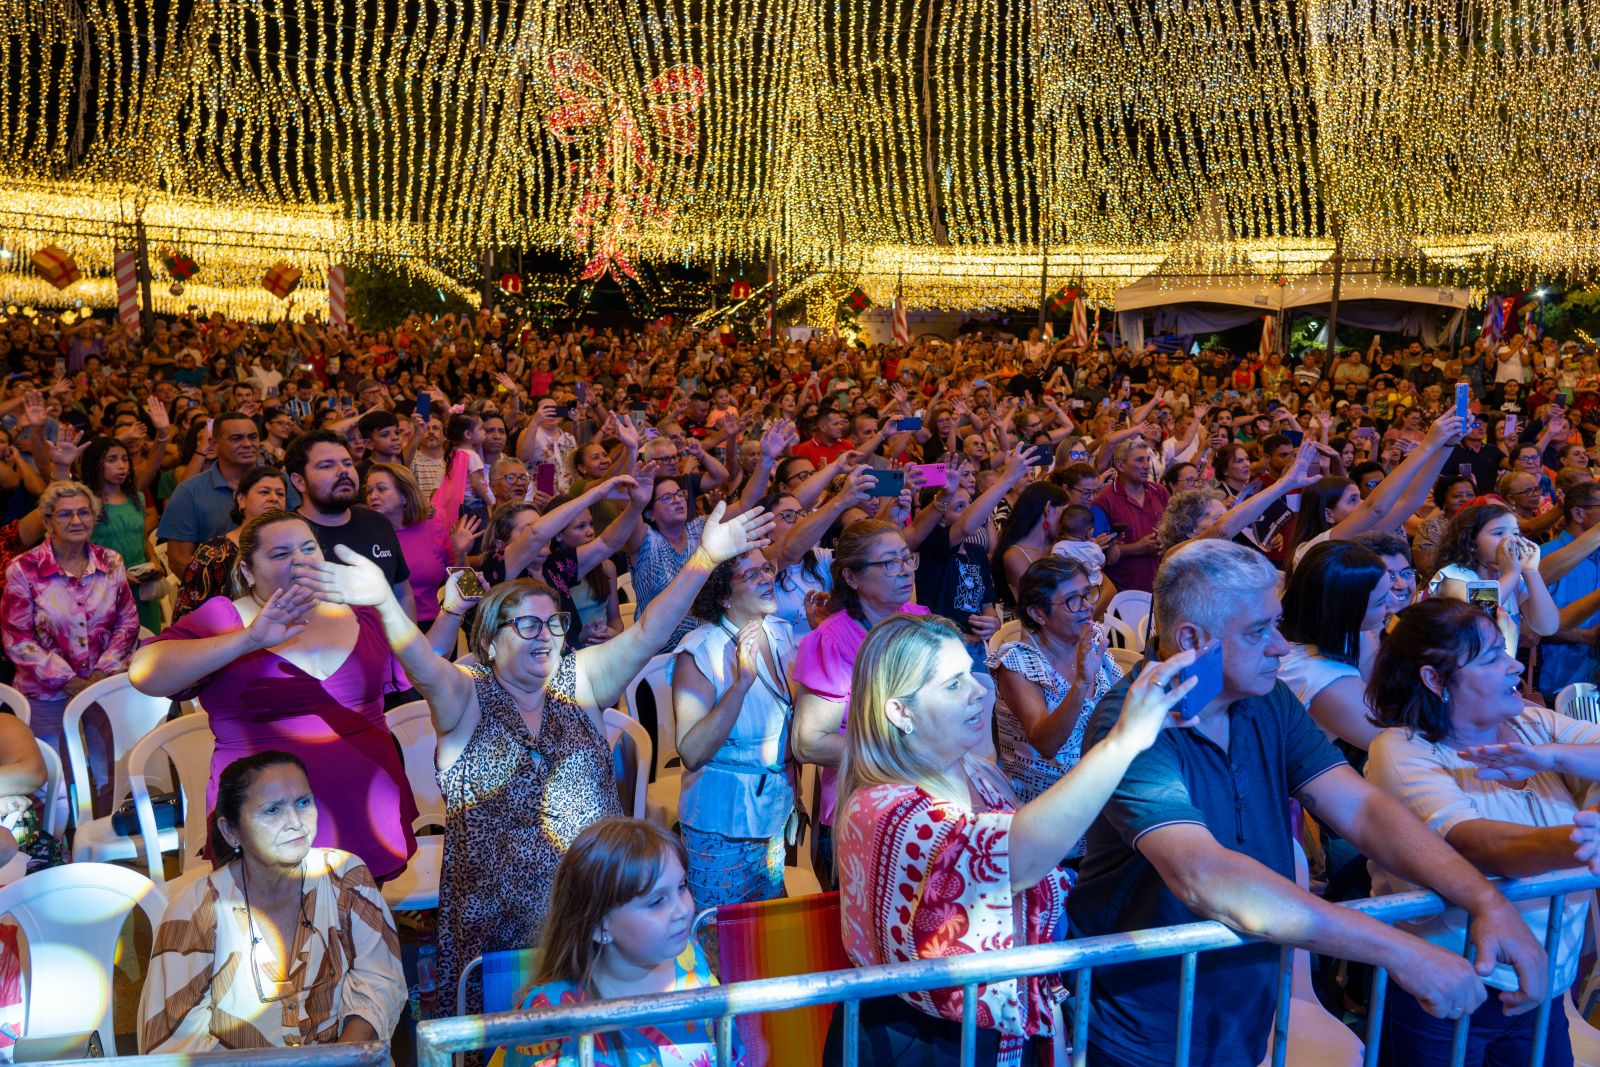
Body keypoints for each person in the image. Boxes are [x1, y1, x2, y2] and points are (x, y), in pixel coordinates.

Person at [1068, 538, 1548, 1067]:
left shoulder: (1264, 697)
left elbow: (1360, 807)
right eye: (1258, 631)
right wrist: (1398, 949)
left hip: (1244, 1001)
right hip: (1145, 1020)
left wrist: (1486, 901)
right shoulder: (1132, 725)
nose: (1280, 646)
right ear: (1190, 640)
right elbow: (1203, 874)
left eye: (1276, 624)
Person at [291, 499, 774, 1014]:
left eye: (554, 624)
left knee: (596, 1037)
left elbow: (651, 629)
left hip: (595, 916)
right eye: (526, 626)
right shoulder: (467, 696)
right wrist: (386, 607)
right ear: (490, 642)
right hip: (499, 931)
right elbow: (425, 669)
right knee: (514, 1043)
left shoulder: (581, 681)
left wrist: (704, 557)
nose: (545, 637)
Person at [826, 613, 1194, 1067]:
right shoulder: (882, 808)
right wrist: (1122, 743)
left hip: (985, 1031)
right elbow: (1018, 858)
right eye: (953, 684)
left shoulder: (978, 772)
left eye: (971, 672)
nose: (980, 689)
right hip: (915, 1042)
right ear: (900, 711)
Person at [129, 509, 429, 882]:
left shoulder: (361, 614)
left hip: (364, 803)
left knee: (359, 926)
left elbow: (424, 673)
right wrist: (250, 639)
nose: (300, 560)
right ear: (248, 572)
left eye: (308, 548)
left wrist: (448, 610)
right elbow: (143, 672)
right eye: (281, 554)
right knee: (276, 933)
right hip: (268, 811)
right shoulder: (228, 618)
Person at [1366, 599, 1600, 1066]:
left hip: (1543, 984)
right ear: (1435, 680)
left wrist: (1554, 757)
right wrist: (1585, 843)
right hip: (1452, 991)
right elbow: (1480, 846)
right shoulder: (1403, 750)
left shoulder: (1530, 723)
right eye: (1492, 657)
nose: (1515, 664)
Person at [139, 751, 406, 1052]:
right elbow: (176, 1041)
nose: (295, 822)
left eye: (303, 802)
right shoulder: (196, 910)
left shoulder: (346, 878)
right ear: (230, 831)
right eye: (272, 811)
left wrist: (342, 1058)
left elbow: (380, 982)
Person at [489, 816, 739, 1067]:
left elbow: (729, 1050)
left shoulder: (690, 959)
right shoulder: (547, 1013)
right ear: (599, 926)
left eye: (682, 886)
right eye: (656, 901)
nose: (683, 909)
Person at [791, 520, 931, 888]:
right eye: (889, 563)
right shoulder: (831, 641)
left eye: (906, 558)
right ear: (852, 578)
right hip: (863, 809)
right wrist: (901, 750)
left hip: (926, 800)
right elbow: (809, 743)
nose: (904, 570)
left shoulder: (921, 623)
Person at [670, 550, 798, 914]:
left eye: (766, 568)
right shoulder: (699, 652)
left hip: (773, 812)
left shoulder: (780, 633)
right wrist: (740, 683)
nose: (766, 578)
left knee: (760, 936)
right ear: (724, 595)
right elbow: (693, 752)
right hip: (721, 826)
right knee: (718, 939)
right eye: (751, 574)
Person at [0, 481, 138, 779]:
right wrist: (70, 680)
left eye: (84, 513)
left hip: (104, 683)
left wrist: (100, 675)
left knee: (111, 773)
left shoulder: (111, 561)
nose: (76, 521)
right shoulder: (24, 568)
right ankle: (58, 827)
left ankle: (103, 823)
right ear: (47, 521)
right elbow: (17, 639)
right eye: (64, 515)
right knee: (53, 780)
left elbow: (127, 623)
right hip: (45, 691)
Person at [988, 557, 1121, 813]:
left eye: (1087, 594)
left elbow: (1125, 704)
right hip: (1045, 812)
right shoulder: (1017, 661)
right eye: (1072, 600)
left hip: (1099, 795)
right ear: (1038, 613)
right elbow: (1045, 743)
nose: (1086, 606)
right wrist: (1082, 682)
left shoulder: (1092, 645)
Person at [1279, 541, 1395, 751]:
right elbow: (1392, 749)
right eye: (1380, 602)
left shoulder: (1326, 630)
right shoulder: (1322, 677)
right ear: (1345, 611)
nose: (1393, 601)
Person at [1428, 503, 1559, 658]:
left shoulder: (1513, 579)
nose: (1512, 540)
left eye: (1516, 533)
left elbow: (1548, 626)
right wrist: (1511, 573)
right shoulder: (1454, 575)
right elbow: (1479, 612)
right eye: (1498, 533)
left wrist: (1531, 572)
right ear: (1471, 543)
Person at [363, 462, 480, 626]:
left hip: (433, 626)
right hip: (381, 629)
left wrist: (460, 553)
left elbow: (468, 589)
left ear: (405, 495)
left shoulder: (434, 531)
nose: (373, 496)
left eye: (381, 489)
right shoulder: (365, 535)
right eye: (369, 491)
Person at [172, 465, 289, 621]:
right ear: (242, 500)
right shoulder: (214, 553)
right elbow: (186, 618)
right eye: (264, 492)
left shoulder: (291, 548)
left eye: (280, 494)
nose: (274, 498)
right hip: (222, 639)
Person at [157, 411, 262, 580]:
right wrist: (219, 595)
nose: (247, 444)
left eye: (253, 437)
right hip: (217, 596)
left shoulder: (277, 485)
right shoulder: (189, 491)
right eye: (236, 438)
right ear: (214, 444)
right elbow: (178, 560)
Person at [76, 434, 164, 633]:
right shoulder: (87, 503)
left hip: (140, 581)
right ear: (96, 464)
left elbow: (139, 536)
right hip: (103, 583)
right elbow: (81, 549)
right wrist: (117, 574)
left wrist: (153, 559)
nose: (121, 465)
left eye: (125, 459)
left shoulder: (137, 497)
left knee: (148, 643)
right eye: (112, 459)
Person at [1091, 438, 1168, 593]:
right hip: (1123, 592)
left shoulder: (1160, 492)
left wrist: (1166, 539)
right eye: (1140, 460)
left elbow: (1175, 531)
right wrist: (1136, 548)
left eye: (1148, 459)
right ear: (1120, 465)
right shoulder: (1103, 500)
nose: (1147, 466)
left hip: (1161, 586)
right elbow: (1097, 553)